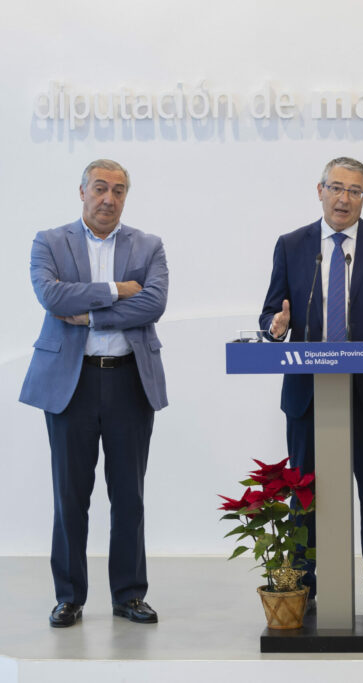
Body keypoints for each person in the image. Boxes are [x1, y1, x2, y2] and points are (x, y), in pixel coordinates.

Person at [259, 156, 363, 618]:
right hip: (309, 395)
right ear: (320, 191)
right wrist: (275, 327)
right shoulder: (292, 245)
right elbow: (271, 311)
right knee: (305, 494)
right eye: (336, 188)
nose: (344, 198)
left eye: (354, 190)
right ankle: (303, 585)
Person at [20, 159, 168, 628]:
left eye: (118, 190)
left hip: (129, 381)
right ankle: (69, 597)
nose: (109, 198)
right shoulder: (49, 241)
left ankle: (129, 594)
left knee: (129, 496)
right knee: (70, 496)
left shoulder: (148, 245)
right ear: (81, 191)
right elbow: (53, 297)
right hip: (72, 383)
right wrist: (117, 289)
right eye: (100, 188)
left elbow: (153, 303)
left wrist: (92, 316)